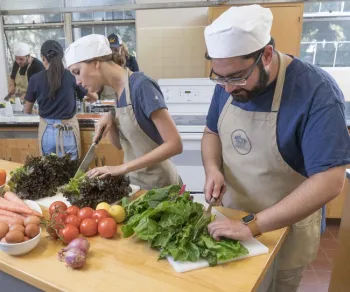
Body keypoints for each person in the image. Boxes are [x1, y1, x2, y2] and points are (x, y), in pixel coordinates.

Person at [202, 5, 350, 292]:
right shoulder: (228, 84)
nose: (228, 88)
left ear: (267, 55)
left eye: (237, 77)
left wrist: (253, 226)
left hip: (284, 231)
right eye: (219, 77)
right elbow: (211, 132)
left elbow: (330, 182)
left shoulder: (316, 92)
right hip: (232, 220)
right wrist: (212, 168)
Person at [64, 34, 182, 189]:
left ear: (95, 63)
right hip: (136, 183)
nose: (77, 82)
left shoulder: (141, 86)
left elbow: (175, 144)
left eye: (77, 72)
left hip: (160, 186)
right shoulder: (118, 91)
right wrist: (111, 120)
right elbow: (120, 145)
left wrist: (120, 168)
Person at [24, 40, 89, 160]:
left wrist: (37, 111)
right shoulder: (71, 76)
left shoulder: (35, 79)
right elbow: (90, 94)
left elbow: (27, 109)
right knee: (72, 174)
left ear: (43, 58)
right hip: (68, 131)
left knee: (49, 173)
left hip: (47, 132)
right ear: (62, 57)